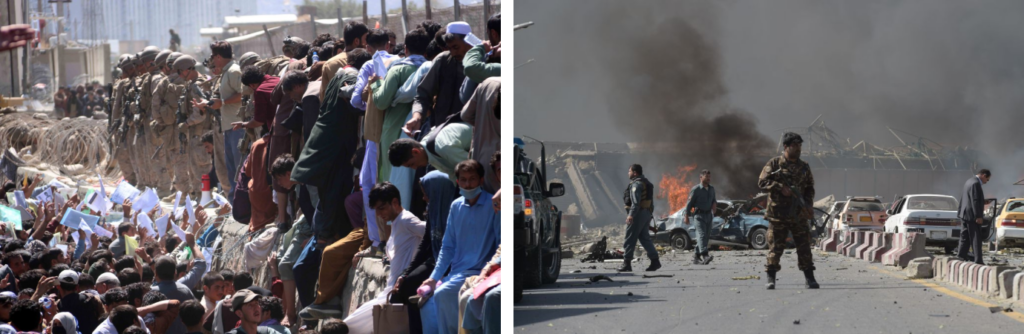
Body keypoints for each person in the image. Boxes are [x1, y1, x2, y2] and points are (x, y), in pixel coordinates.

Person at [419, 160, 498, 334]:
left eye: (472, 179)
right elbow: (447, 247)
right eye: (463, 180)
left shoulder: (493, 205)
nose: (468, 184)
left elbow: (501, 244)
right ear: (457, 182)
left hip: (483, 272)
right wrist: (433, 278)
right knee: (427, 302)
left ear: (481, 180)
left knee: (443, 294)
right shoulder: (456, 206)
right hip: (457, 274)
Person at [340, 182, 425, 333]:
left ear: (395, 202)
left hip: (398, 294)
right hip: (388, 291)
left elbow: (433, 233)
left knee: (347, 327)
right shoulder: (396, 222)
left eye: (382, 208)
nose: (379, 214)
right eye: (376, 210)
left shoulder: (406, 220)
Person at [758, 132, 818, 290]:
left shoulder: (804, 167)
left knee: (804, 246)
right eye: (795, 145)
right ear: (786, 146)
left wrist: (809, 205)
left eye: (800, 146)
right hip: (778, 214)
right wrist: (779, 187)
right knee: (775, 248)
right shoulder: (775, 164)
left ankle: (810, 278)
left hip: (798, 214)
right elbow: (762, 182)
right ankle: (771, 278)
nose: (798, 149)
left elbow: (810, 188)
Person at [618, 164, 661, 272]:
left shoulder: (636, 185)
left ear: (635, 173)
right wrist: (649, 215)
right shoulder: (647, 183)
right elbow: (651, 202)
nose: (628, 173)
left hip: (637, 214)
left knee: (629, 238)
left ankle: (626, 263)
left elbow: (635, 203)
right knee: (644, 238)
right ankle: (655, 261)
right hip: (646, 213)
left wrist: (631, 215)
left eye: (629, 171)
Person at [957, 169, 991, 265]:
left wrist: (983, 202)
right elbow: (975, 200)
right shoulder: (976, 183)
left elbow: (970, 198)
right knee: (976, 238)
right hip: (972, 215)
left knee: (965, 237)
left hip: (964, 214)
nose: (986, 182)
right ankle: (978, 260)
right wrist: (978, 216)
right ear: (983, 175)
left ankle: (960, 256)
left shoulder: (969, 181)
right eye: (987, 180)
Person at [684, 169, 717, 265]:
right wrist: (686, 216)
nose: (708, 179)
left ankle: (696, 257)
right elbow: (689, 204)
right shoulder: (696, 189)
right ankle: (705, 255)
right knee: (701, 235)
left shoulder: (711, 189)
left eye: (709, 177)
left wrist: (714, 207)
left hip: (708, 215)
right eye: (706, 177)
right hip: (698, 216)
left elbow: (714, 200)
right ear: (701, 177)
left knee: (705, 237)